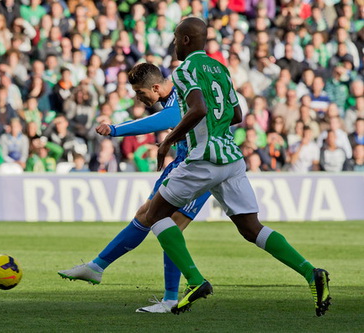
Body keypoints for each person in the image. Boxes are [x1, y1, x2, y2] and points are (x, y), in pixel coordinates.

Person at [141, 17, 330, 316]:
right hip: (231, 157)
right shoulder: (220, 68)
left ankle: (195, 281)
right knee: (251, 228)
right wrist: (213, 128)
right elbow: (237, 114)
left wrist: (169, 141)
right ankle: (311, 272)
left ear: (187, 40)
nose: (174, 42)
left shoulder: (184, 71)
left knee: (154, 215)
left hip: (203, 159)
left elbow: (199, 107)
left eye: (177, 37)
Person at [58, 63, 211, 313]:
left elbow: (167, 119)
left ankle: (172, 294)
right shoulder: (172, 94)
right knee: (149, 217)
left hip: (201, 167)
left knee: (170, 225)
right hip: (185, 163)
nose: (139, 99)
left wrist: (117, 129)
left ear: (155, 86)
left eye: (141, 93)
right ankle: (98, 267)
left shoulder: (180, 94)